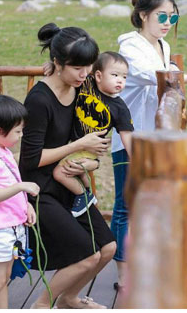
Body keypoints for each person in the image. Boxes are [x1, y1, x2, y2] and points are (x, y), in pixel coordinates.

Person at [110, 0, 187, 289]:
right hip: (129, 137)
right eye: (162, 16)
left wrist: (177, 71)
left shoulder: (164, 46)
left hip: (154, 136)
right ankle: (123, 274)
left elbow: (166, 69)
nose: (167, 23)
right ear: (143, 15)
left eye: (173, 18)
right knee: (125, 205)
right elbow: (150, 74)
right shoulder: (130, 46)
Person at [20, 23, 116, 309]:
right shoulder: (38, 100)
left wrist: (91, 159)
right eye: (78, 67)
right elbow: (30, 160)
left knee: (107, 248)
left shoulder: (81, 88)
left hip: (69, 183)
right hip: (41, 189)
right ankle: (41, 305)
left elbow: (91, 139)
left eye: (88, 66)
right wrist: (78, 146)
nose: (85, 73)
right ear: (57, 63)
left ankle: (70, 298)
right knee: (87, 254)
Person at [0, 95, 39, 309]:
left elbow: (9, 185)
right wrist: (22, 187)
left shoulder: (2, 152)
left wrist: (26, 205)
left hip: (12, 227)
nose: (21, 135)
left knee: (5, 278)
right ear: (0, 131)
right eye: (18, 131)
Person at [56, 51, 135, 217]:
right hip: (73, 142)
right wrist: (51, 66)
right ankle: (88, 192)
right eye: (115, 75)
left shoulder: (120, 109)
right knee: (73, 170)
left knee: (59, 172)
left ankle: (83, 195)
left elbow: (126, 135)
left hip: (89, 149)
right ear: (98, 76)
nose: (120, 80)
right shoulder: (87, 84)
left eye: (124, 77)